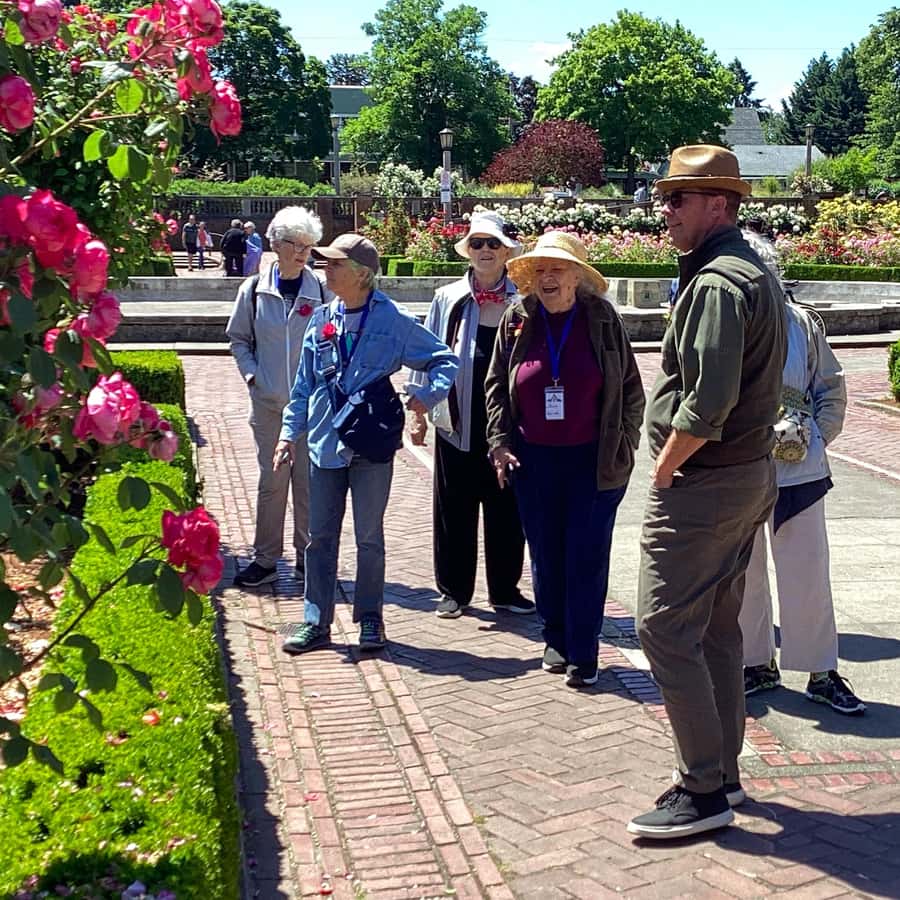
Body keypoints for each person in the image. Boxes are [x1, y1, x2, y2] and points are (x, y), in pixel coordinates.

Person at [628, 145, 787, 839]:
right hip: (744, 479)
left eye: (676, 200)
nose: (664, 212)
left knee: (662, 629)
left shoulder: (720, 281)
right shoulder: (747, 272)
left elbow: (707, 403)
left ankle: (701, 789)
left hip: (706, 483)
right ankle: (721, 774)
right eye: (666, 199)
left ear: (719, 203)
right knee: (717, 629)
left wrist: (666, 466)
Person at [275, 234, 458, 654]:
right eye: (325, 263)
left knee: (369, 538)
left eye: (335, 264)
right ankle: (314, 622)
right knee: (318, 538)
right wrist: (289, 434)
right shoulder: (321, 319)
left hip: (371, 446)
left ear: (361, 274)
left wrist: (426, 397)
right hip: (324, 444)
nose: (325, 269)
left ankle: (370, 620)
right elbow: (302, 387)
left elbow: (444, 359)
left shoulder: (391, 321)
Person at [484, 231, 645, 688]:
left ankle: (584, 649)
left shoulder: (601, 317)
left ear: (577, 276)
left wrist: (624, 442)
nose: (547, 277)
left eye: (557, 269)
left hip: (594, 461)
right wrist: (499, 441)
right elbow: (496, 384)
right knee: (546, 553)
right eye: (540, 270)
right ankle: (555, 635)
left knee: (586, 555)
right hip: (532, 459)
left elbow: (632, 389)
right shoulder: (519, 317)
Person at [739, 285, 864, 715]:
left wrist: (817, 440)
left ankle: (821, 672)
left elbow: (831, 386)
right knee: (744, 573)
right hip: (739, 471)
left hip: (801, 473)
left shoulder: (802, 323)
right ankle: (755, 664)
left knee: (808, 574)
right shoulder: (727, 321)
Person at [409, 210, 534, 620]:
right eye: (477, 243)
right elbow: (425, 353)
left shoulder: (523, 299)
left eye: (493, 244)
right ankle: (454, 591)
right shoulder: (448, 298)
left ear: (505, 251)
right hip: (456, 418)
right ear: (468, 250)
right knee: (454, 510)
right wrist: (419, 409)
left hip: (509, 423)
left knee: (507, 510)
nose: (485, 251)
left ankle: (505, 590)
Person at [226, 206, 333, 588]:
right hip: (269, 405)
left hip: (310, 409)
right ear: (276, 244)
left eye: (309, 245)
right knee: (272, 484)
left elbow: (331, 341)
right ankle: (266, 558)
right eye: (296, 244)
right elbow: (238, 339)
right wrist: (253, 376)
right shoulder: (253, 289)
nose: (304, 252)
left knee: (308, 484)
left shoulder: (320, 290)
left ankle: (308, 558)